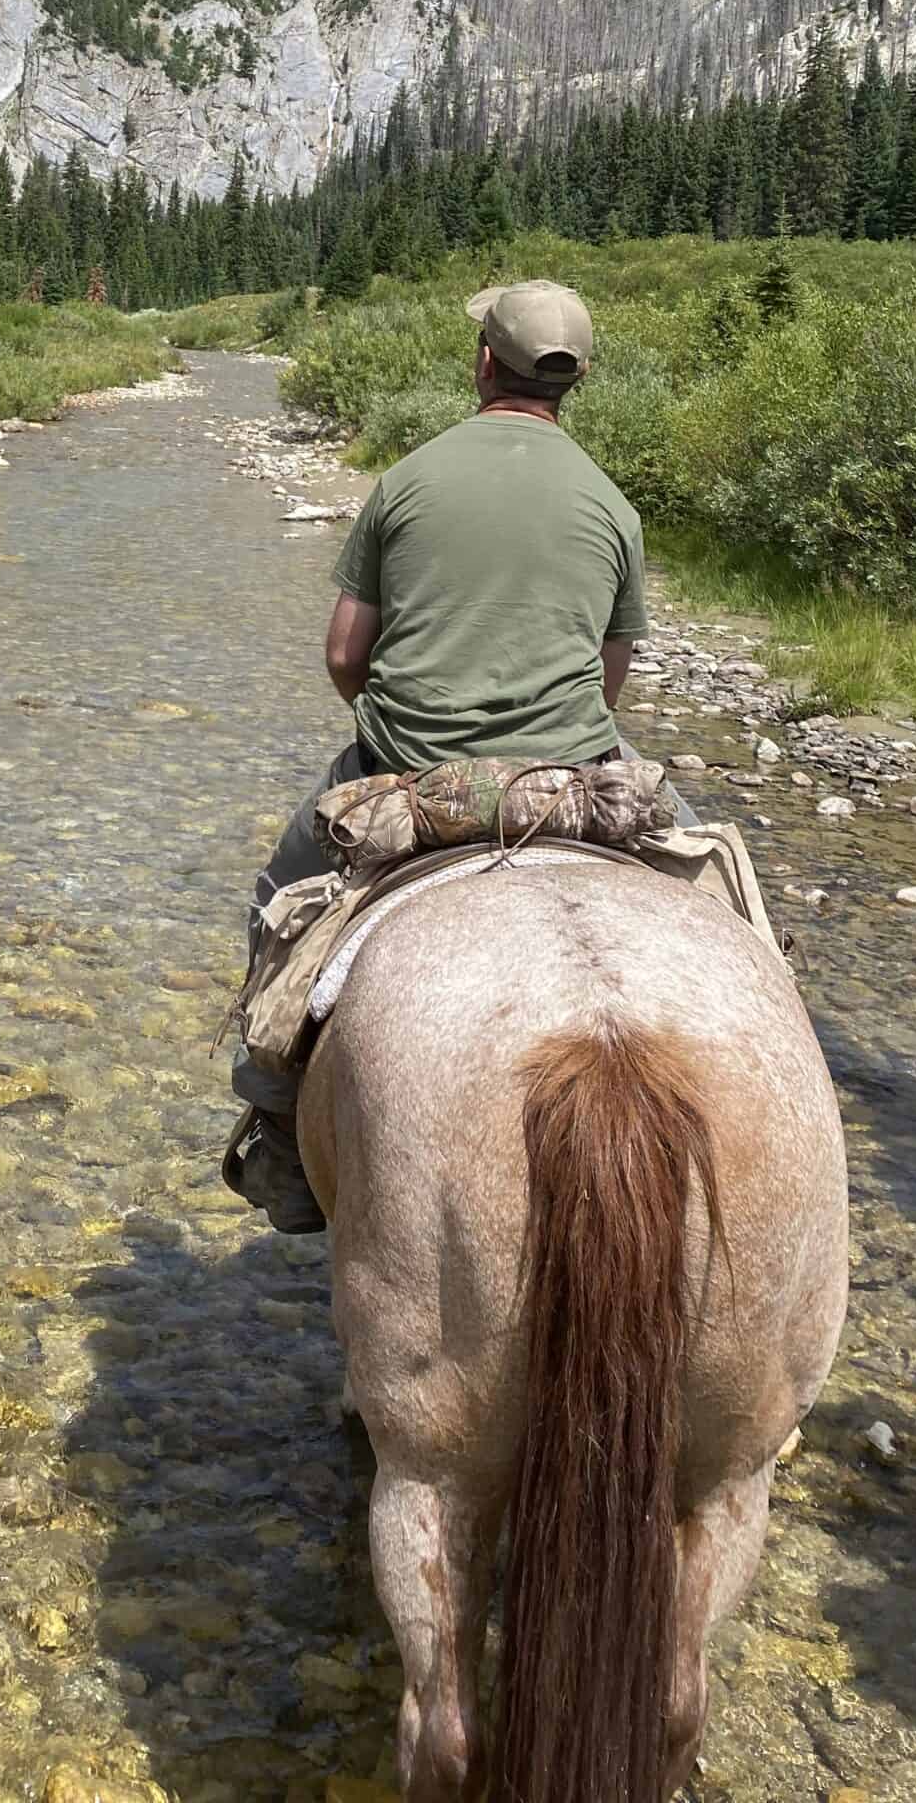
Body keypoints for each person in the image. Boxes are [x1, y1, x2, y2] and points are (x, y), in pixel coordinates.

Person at [232, 276, 693, 1233]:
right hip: (571, 776)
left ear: (485, 361)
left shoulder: (408, 479)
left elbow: (342, 655)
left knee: (279, 904)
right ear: (575, 380)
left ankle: (277, 1133)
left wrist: (402, 731)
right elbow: (610, 679)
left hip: (409, 772)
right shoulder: (612, 505)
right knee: (723, 893)